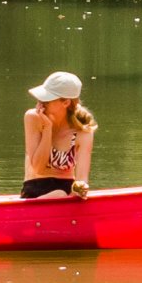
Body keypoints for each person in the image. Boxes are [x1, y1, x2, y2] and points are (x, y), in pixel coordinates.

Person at [21, 71, 95, 199]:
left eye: (46, 100)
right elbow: (38, 168)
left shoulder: (83, 133)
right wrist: (47, 129)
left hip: (64, 192)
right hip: (34, 190)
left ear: (66, 103)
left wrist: (80, 188)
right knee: (58, 193)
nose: (40, 103)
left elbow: (82, 179)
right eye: (40, 98)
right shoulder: (33, 118)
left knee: (60, 193)